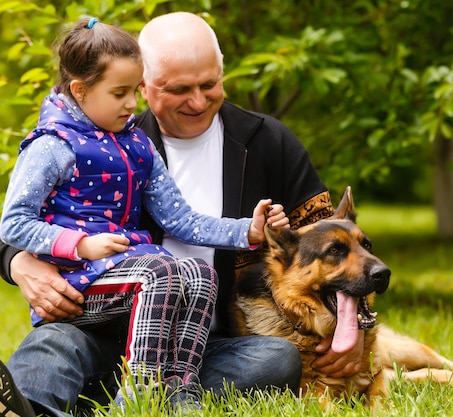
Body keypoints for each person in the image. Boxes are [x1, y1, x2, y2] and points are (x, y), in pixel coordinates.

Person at [0, 11, 364, 417]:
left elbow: (336, 250)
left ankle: (141, 394)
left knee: (276, 359)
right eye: (178, 89)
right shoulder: (105, 133)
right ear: (147, 83)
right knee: (56, 346)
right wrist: (18, 263)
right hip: (96, 323)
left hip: (199, 346)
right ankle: (32, 405)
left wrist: (354, 326)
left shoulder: (267, 142)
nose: (197, 100)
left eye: (209, 84)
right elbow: (16, 222)